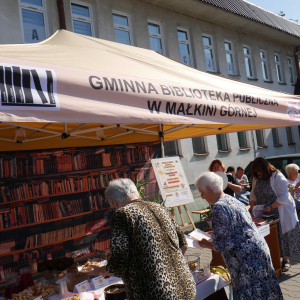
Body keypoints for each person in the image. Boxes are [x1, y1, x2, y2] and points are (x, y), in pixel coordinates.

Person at [99, 178, 196, 300]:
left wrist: (101, 271)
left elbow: (118, 265)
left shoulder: (122, 214)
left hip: (155, 293)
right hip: (184, 285)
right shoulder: (160, 208)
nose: (115, 208)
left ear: (115, 202)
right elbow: (183, 245)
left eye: (113, 206)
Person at [196, 172, 283, 300]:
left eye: (201, 192)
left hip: (246, 261)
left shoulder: (219, 207)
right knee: (266, 292)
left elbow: (223, 245)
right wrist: (214, 233)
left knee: (252, 294)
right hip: (257, 254)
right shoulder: (231, 199)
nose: (202, 197)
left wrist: (204, 244)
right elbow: (235, 228)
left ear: (208, 189)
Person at [250, 157, 300, 272]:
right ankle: (272, 261)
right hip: (264, 213)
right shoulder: (256, 178)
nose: (258, 173)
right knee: (270, 237)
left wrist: (271, 206)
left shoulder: (277, 176)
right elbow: (253, 194)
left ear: (265, 168)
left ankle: (285, 260)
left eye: (260, 171)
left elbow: (284, 196)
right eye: (256, 172)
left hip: (279, 210)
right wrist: (253, 206)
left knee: (282, 236)